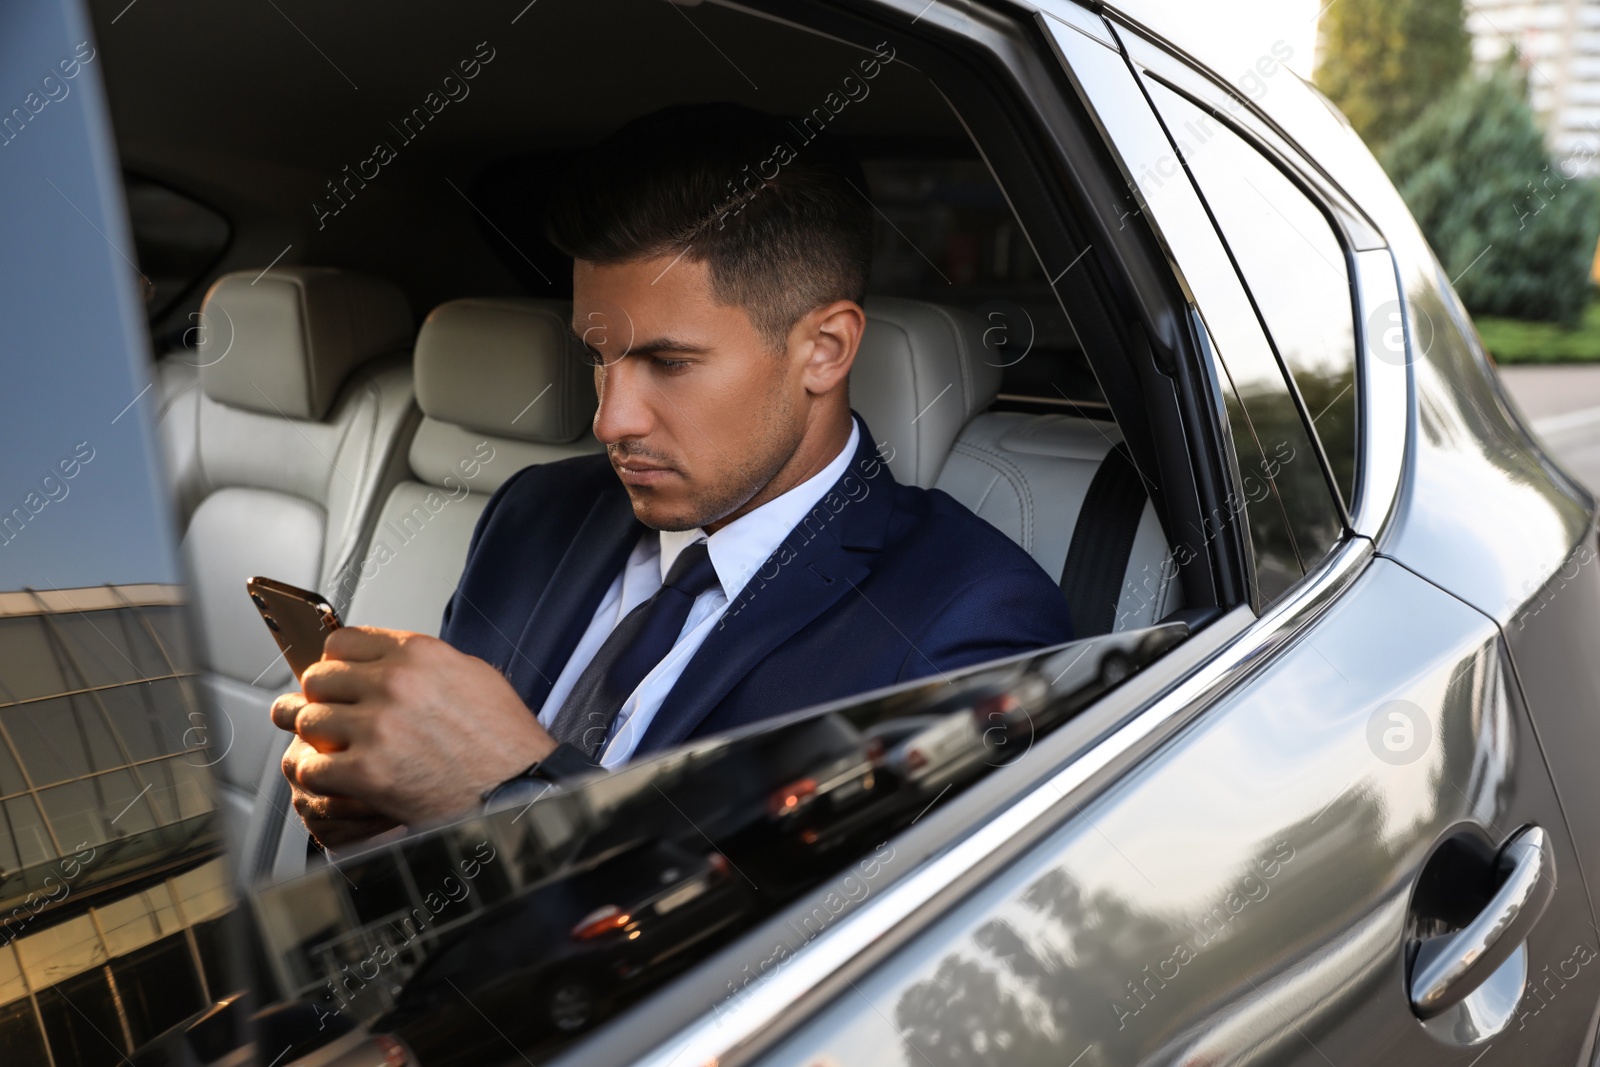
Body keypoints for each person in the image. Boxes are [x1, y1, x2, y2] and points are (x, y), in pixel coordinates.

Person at [271, 103, 1074, 848]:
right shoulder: (534, 513)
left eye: (668, 362)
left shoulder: (967, 621)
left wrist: (511, 792)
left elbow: (837, 955)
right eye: (598, 357)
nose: (611, 421)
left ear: (825, 350)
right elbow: (428, 835)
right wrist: (380, 824)